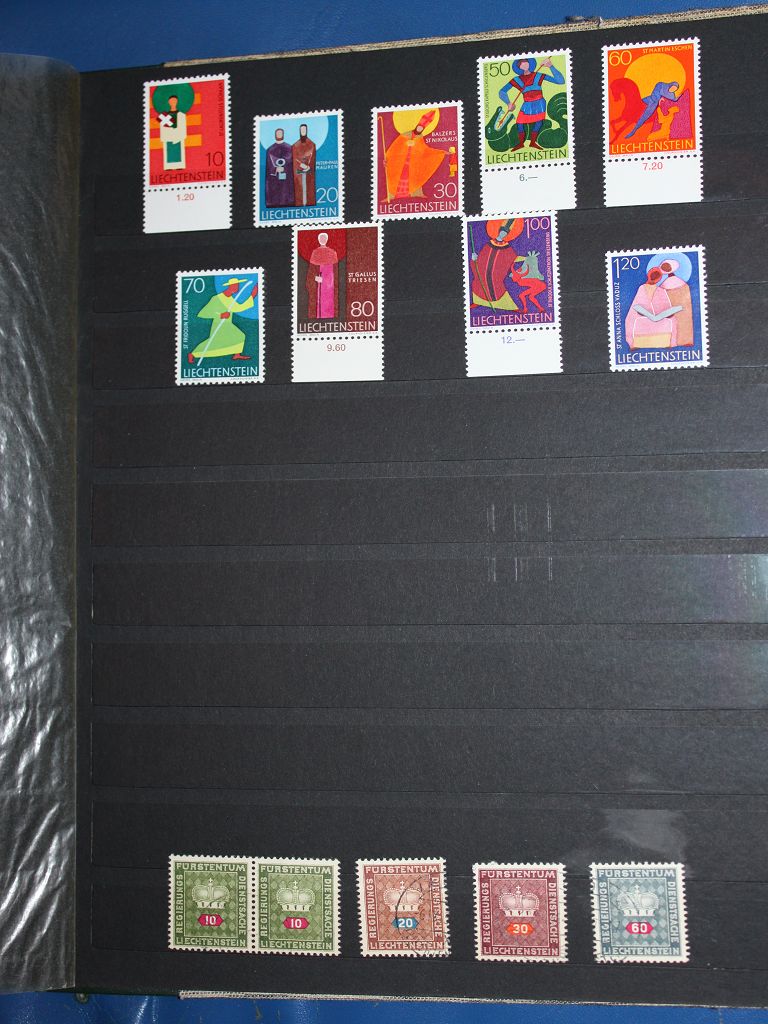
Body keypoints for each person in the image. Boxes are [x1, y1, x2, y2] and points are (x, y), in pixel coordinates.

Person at [624, 257, 693, 348]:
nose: (655, 278)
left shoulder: (660, 290)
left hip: (658, 318)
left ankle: (670, 342)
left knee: (671, 320)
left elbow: (665, 307)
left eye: (657, 276)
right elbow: (637, 306)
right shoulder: (643, 288)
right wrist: (652, 316)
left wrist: (665, 313)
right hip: (644, 319)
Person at [498, 57, 565, 151]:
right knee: (519, 123)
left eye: (526, 62)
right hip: (527, 105)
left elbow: (561, 81)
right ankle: (521, 143)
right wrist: (508, 103)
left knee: (539, 122)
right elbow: (502, 92)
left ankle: (532, 142)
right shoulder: (516, 79)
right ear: (519, 67)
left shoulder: (538, 75)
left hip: (539, 103)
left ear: (529, 64)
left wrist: (551, 66)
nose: (524, 64)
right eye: (521, 64)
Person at [188, 278, 259, 363]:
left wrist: (253, 295)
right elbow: (203, 313)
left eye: (238, 286)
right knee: (212, 342)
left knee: (240, 336)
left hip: (228, 324)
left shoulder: (230, 299)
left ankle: (236, 355)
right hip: (219, 325)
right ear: (231, 286)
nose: (238, 288)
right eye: (236, 286)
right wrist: (220, 315)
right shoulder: (217, 298)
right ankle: (193, 354)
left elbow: (239, 308)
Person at [383, 109, 448, 201]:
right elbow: (395, 147)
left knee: (416, 175)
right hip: (401, 162)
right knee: (396, 177)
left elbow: (425, 150)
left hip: (413, 162)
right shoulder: (405, 134)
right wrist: (387, 157)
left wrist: (441, 152)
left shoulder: (420, 137)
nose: (420, 129)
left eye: (422, 128)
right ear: (416, 126)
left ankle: (416, 193)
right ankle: (391, 195)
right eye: (419, 127)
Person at [469, 218, 525, 311]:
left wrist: (523, 259)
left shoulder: (507, 248)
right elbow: (482, 257)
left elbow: (511, 258)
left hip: (496, 276)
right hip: (483, 273)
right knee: (479, 285)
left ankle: (511, 307)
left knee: (498, 288)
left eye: (505, 233)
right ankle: (477, 302)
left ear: (507, 235)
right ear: (499, 231)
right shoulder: (488, 244)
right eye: (502, 232)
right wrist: (475, 259)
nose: (503, 234)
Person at [306, 232, 339, 319]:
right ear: (319, 240)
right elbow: (311, 271)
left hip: (330, 284)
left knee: (329, 302)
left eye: (324, 238)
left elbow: (336, 271)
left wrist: (325, 279)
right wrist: (315, 278)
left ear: (326, 240)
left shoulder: (332, 252)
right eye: (321, 238)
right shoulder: (315, 252)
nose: (322, 240)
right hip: (319, 283)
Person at [265, 128, 295, 207]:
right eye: (277, 133)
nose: (279, 135)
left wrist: (284, 167)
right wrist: (275, 169)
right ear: (275, 135)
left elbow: (291, 162)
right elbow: (268, 164)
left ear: (283, 135)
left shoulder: (289, 148)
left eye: (280, 133)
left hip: (287, 178)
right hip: (274, 179)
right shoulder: (270, 149)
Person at [158, 94, 187, 170]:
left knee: (179, 153)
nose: (173, 102)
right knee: (169, 152)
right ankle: (169, 166)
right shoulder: (165, 116)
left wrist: (177, 133)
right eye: (171, 101)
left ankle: (179, 165)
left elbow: (182, 128)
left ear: (177, 102)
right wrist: (170, 132)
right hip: (168, 138)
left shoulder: (181, 115)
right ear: (169, 102)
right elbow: (163, 129)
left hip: (179, 138)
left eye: (174, 101)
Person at [292, 123, 317, 206]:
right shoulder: (295, 146)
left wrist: (308, 166)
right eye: (301, 129)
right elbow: (295, 157)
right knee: (299, 190)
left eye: (304, 129)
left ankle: (309, 203)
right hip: (299, 173)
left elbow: (312, 157)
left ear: (307, 131)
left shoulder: (312, 145)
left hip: (308, 172)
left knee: (309, 188)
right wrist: (300, 165)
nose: (303, 131)